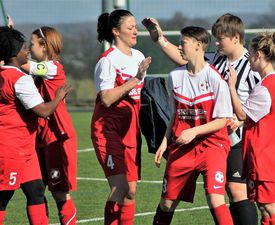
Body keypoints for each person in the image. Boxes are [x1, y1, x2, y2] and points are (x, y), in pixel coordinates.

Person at [142, 14, 259, 225]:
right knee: (172, 202)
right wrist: (159, 38)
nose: (216, 42)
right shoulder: (215, 59)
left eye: (220, 37)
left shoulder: (252, 67)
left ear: (235, 38)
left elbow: (259, 105)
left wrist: (242, 119)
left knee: (235, 190)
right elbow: (185, 60)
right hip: (198, 136)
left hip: (233, 139)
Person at [152, 26, 233, 225]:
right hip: (182, 146)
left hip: (212, 145)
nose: (179, 47)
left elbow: (223, 120)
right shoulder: (174, 77)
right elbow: (174, 114)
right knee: (167, 203)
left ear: (198, 46)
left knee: (215, 199)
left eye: (183, 43)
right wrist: (165, 141)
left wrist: (194, 131)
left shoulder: (215, 79)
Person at [0, 26, 70, 224]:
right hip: (12, 148)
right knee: (3, 198)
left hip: (26, 149)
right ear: (14, 53)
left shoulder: (6, 73)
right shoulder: (20, 79)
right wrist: (58, 97)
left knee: (36, 191)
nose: (27, 51)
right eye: (25, 47)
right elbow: (43, 111)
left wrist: (7, 40)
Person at [90, 9, 151, 225]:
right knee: (120, 187)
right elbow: (106, 99)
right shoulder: (107, 61)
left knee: (131, 192)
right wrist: (136, 78)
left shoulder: (139, 56)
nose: (136, 31)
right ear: (116, 32)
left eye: (136, 26)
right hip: (108, 131)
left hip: (131, 132)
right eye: (130, 27)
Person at [227, 31, 275, 225]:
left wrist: (232, 87)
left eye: (250, 53)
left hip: (263, 156)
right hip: (262, 155)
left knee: (271, 206)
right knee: (264, 207)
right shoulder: (269, 83)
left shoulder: (266, 86)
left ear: (258, 55)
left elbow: (243, 114)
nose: (248, 58)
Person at [20, 26, 77, 224]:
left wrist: (9, 46)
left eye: (32, 44)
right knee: (36, 190)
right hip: (38, 137)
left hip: (56, 136)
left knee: (60, 193)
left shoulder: (53, 68)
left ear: (44, 46)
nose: (28, 48)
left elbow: (26, 65)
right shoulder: (38, 71)